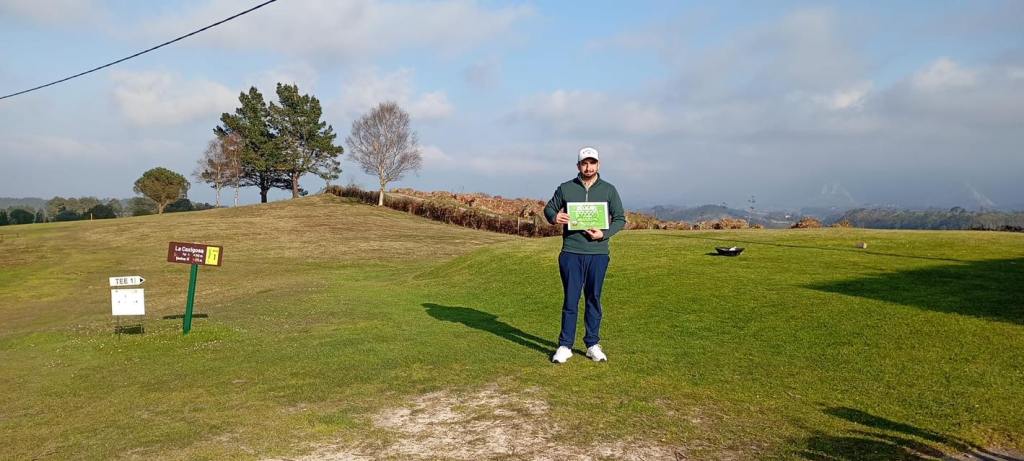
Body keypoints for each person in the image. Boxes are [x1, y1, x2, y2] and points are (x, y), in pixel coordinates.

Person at [543, 147, 626, 363]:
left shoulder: (609, 190)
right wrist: (555, 217)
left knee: (593, 298)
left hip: (598, 253)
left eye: (592, 163)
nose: (588, 167)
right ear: (578, 165)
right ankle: (565, 345)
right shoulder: (565, 188)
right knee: (571, 300)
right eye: (584, 163)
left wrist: (603, 233)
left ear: (598, 164)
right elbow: (549, 209)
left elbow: (620, 218)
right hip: (571, 252)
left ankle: (592, 344)